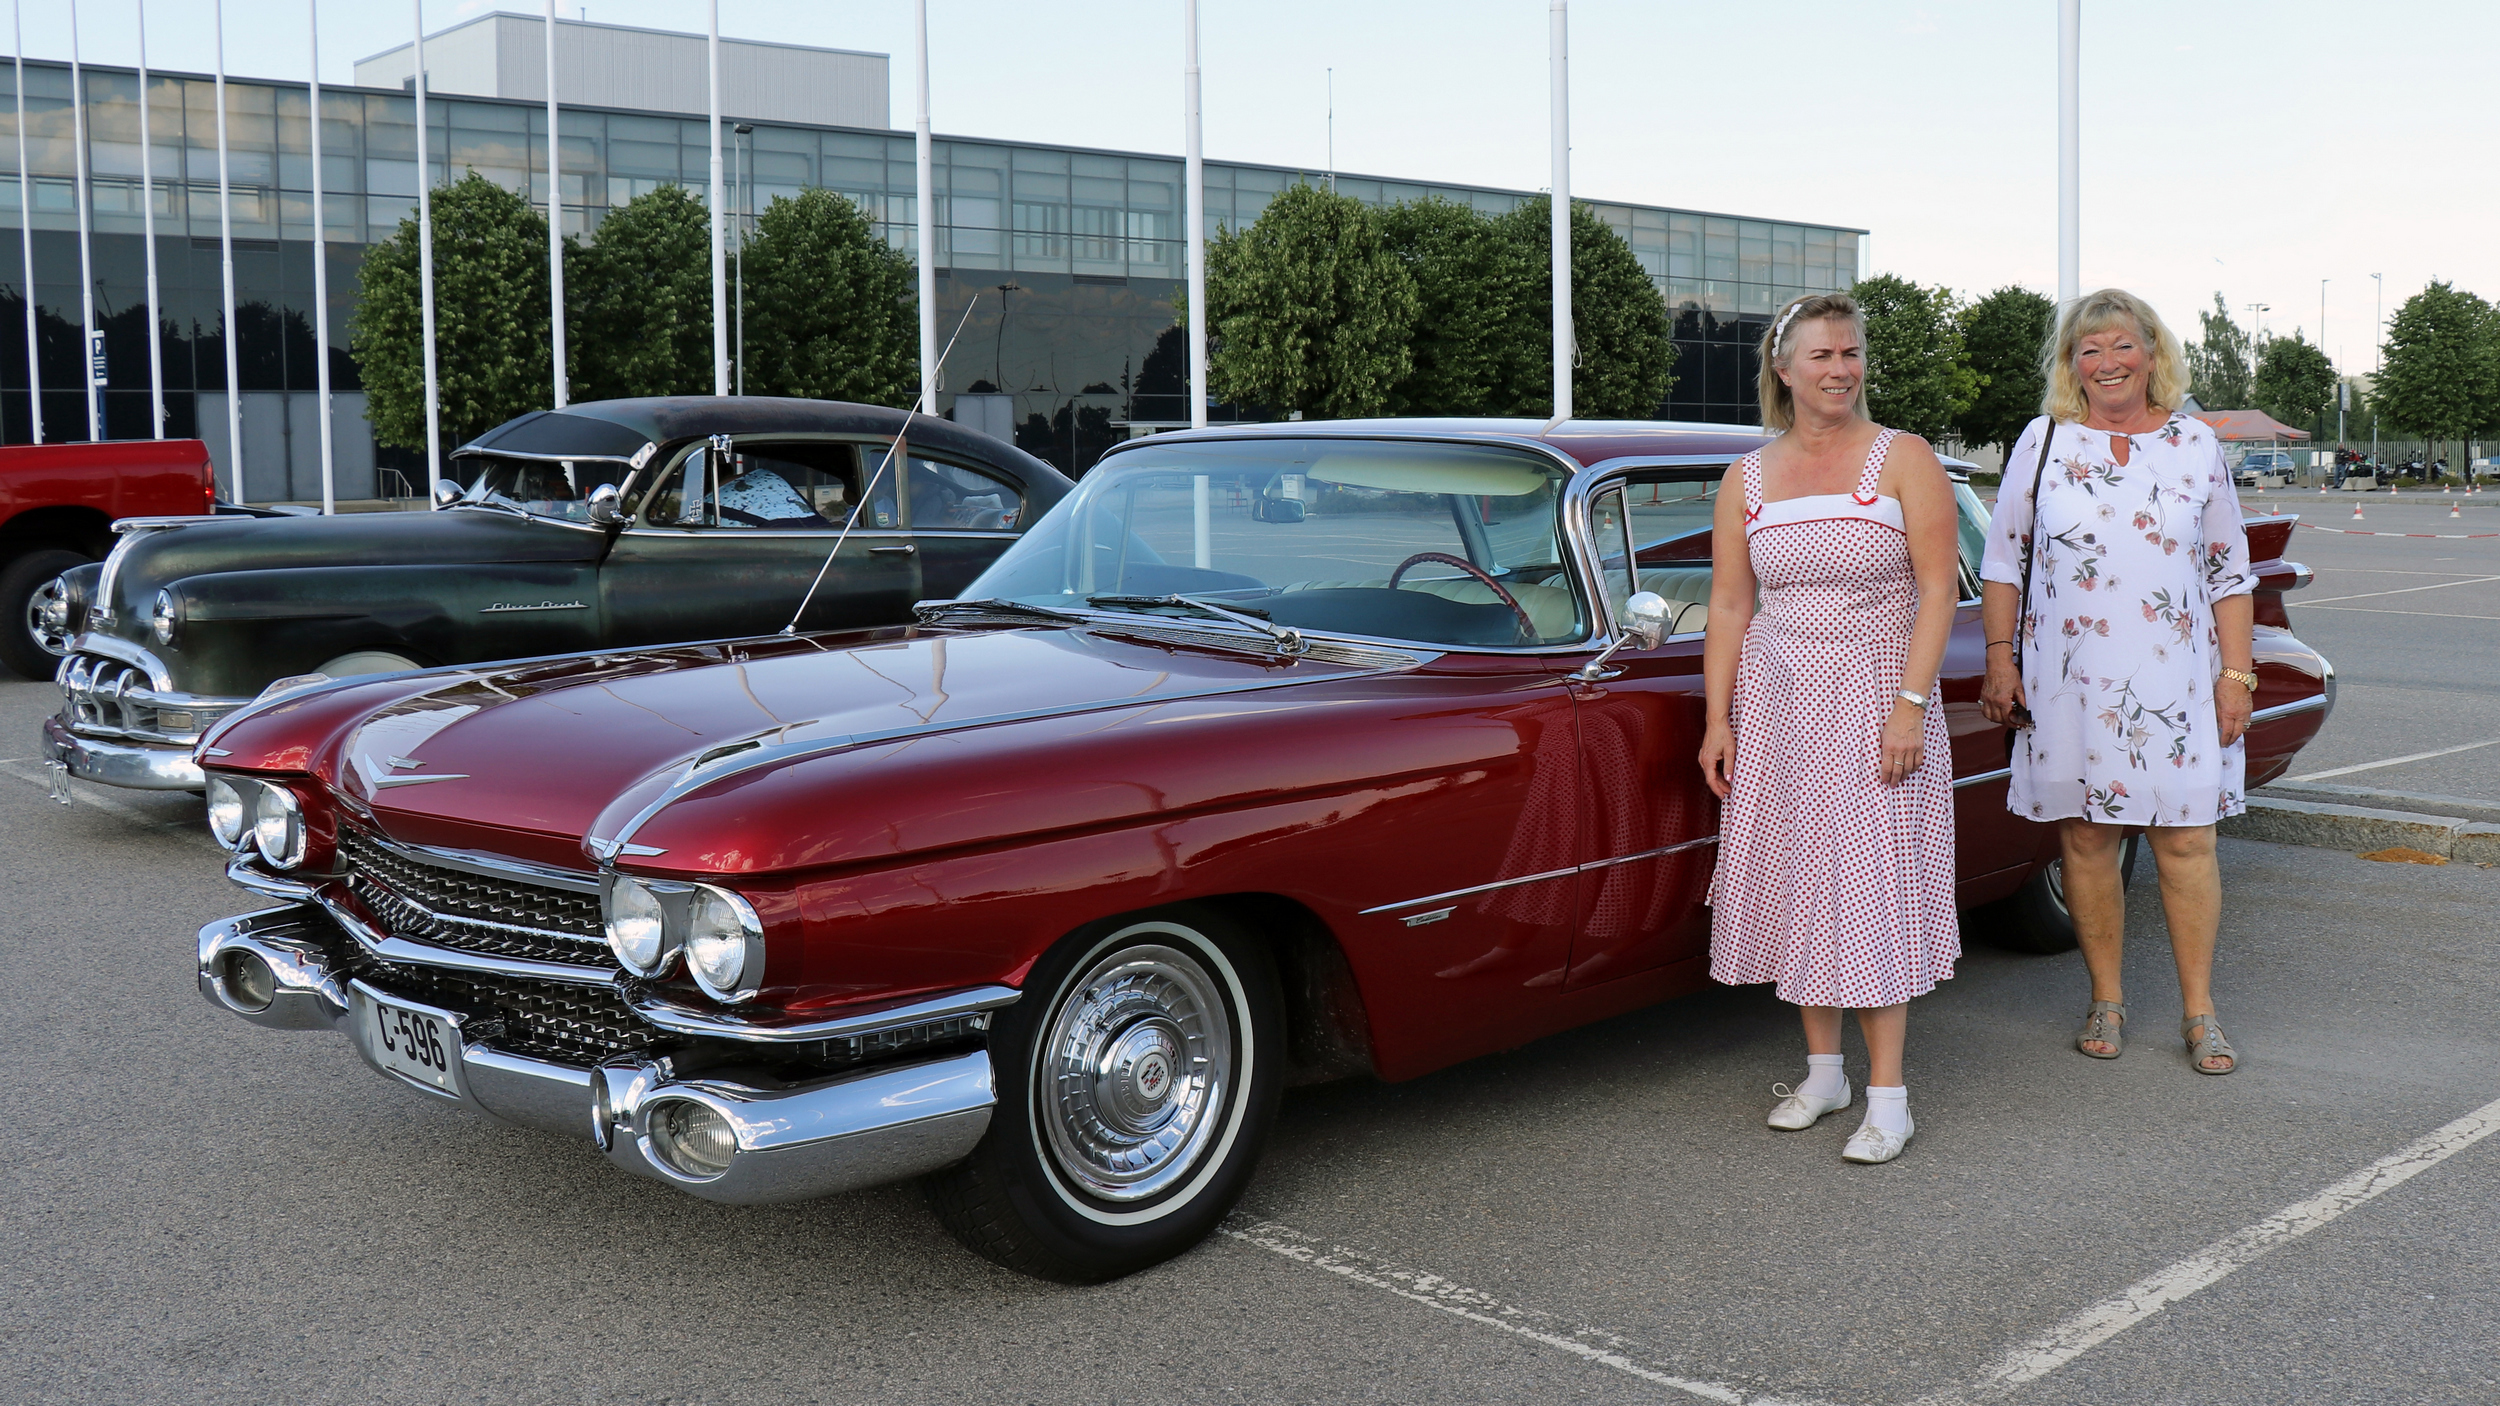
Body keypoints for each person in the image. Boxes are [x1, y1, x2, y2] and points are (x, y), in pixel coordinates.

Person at [1700, 292, 1964, 1165]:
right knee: (1801, 878)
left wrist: (1910, 705)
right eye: (1821, 355)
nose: (1840, 369)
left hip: (1878, 699)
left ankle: (1889, 1099)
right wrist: (1718, 718)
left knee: (1868, 889)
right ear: (1784, 370)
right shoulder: (1746, 477)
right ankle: (1824, 1076)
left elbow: (1939, 590)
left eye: (1850, 353)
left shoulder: (1904, 457)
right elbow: (1730, 604)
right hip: (1780, 705)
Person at [1978, 288, 2254, 1075]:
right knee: (2088, 837)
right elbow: (2003, 560)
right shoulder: (2043, 441)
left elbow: (2229, 570)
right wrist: (2000, 658)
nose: (2107, 362)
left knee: (2188, 840)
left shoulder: (2196, 444)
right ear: (2072, 363)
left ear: (2152, 354)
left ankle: (2200, 1012)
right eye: (2089, 349)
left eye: (2121, 345)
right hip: (2070, 679)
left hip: (2178, 677)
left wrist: (2237, 675)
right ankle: (2106, 998)